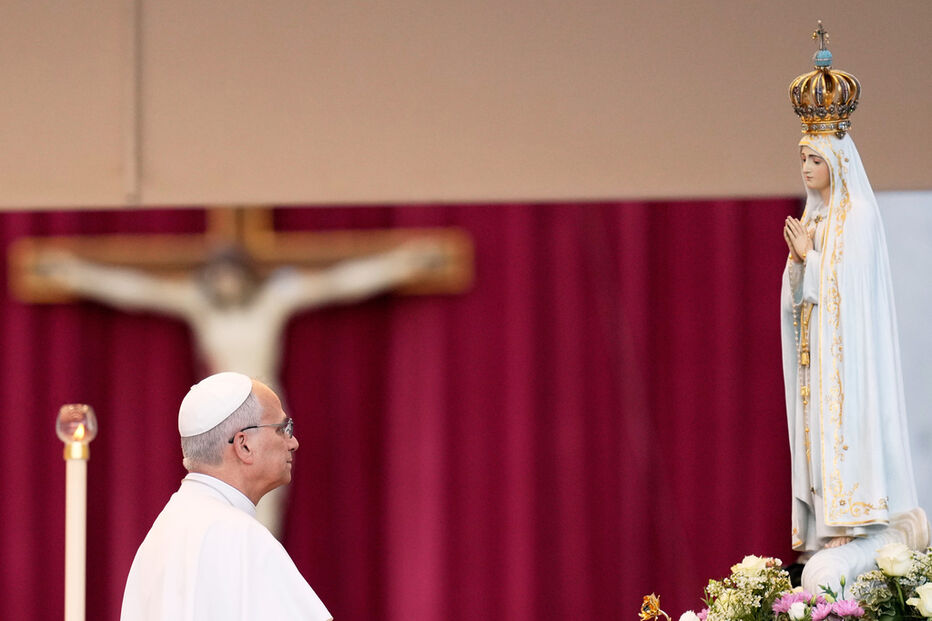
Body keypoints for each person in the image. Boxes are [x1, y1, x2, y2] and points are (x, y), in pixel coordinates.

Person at [34, 239, 445, 538]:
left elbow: (338, 283)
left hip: (264, 414)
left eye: (233, 275)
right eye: (219, 276)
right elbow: (138, 291)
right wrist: (74, 273)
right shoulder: (199, 303)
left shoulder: (272, 300)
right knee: (216, 501)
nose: (227, 284)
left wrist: (401, 264)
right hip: (218, 420)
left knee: (264, 508)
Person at [781, 24, 919, 555]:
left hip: (849, 367)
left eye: (815, 159)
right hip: (820, 369)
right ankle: (827, 530)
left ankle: (855, 524)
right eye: (803, 158)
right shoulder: (815, 216)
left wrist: (809, 261)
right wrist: (798, 270)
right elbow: (799, 299)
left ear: (836, 162)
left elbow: (849, 297)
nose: (806, 168)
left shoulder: (857, 216)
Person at [120, 371, 332, 620]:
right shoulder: (239, 534)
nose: (293, 442)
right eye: (282, 429)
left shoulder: (160, 534)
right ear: (244, 445)